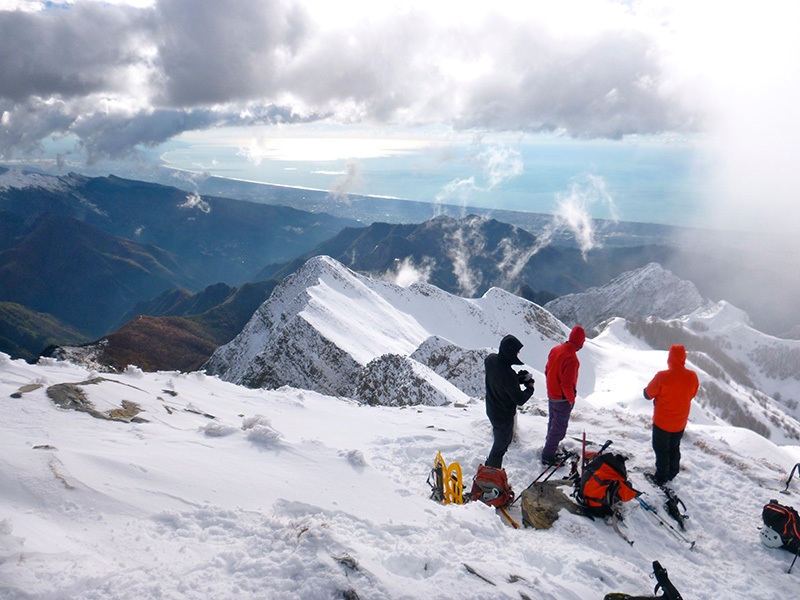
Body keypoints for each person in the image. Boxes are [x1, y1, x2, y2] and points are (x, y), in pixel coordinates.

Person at [643, 344, 699, 486]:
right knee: (674, 447)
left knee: (661, 449)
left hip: (662, 421)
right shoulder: (692, 376)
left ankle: (661, 477)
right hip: (680, 422)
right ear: (683, 358)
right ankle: (673, 472)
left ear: (670, 358)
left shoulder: (662, 376)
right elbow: (692, 394)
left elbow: (648, 394)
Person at [484, 334, 535, 469]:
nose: (518, 353)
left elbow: (500, 382)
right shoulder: (507, 374)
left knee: (498, 442)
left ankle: (490, 470)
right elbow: (519, 399)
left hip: (491, 408)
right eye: (516, 351)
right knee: (500, 447)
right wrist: (530, 388)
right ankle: (491, 475)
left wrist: (517, 378)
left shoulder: (490, 360)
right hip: (504, 415)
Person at [542, 326, 585, 465]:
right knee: (559, 429)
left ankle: (550, 446)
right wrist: (571, 400)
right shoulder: (572, 359)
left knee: (553, 423)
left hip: (552, 395)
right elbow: (566, 385)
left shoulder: (555, 350)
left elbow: (547, 371)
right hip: (562, 399)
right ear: (580, 342)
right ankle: (548, 455)